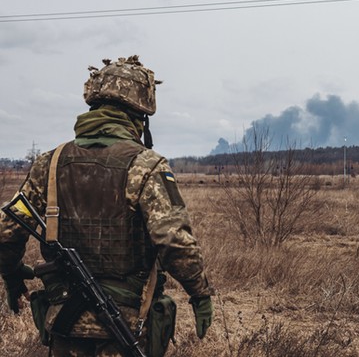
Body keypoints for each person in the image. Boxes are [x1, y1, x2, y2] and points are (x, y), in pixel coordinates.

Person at [0, 55, 214, 356]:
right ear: (140, 116)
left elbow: (7, 231)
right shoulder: (146, 166)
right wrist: (200, 294)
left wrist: (10, 275)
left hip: (63, 321)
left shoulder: (48, 164)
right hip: (128, 323)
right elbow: (174, 241)